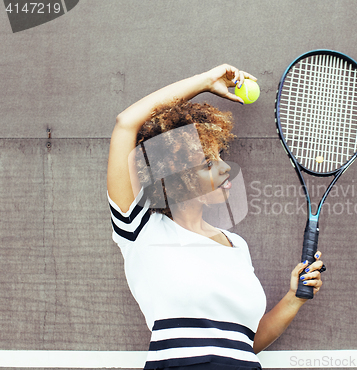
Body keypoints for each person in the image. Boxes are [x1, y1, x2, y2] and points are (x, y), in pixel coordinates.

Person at [107, 64, 324, 370]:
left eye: (221, 155)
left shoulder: (236, 246)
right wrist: (206, 81)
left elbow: (244, 344)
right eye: (209, 162)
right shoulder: (141, 229)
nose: (225, 167)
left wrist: (293, 298)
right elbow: (126, 123)